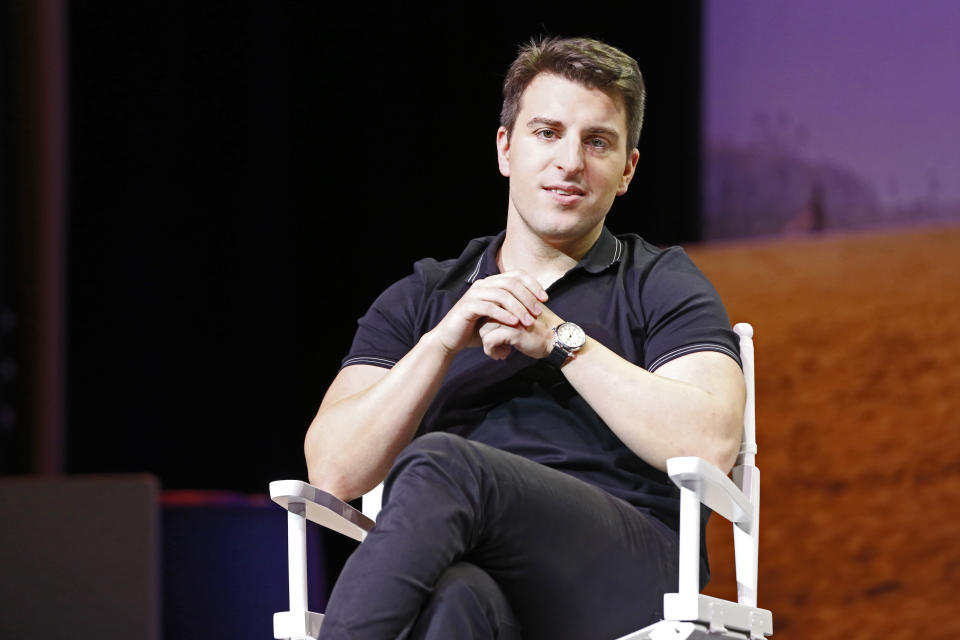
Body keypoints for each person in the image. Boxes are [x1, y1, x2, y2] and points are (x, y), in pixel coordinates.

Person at [304, 36, 745, 639]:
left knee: (440, 464)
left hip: (626, 569)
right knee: (454, 600)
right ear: (506, 149)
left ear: (627, 171)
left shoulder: (659, 281)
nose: (570, 162)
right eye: (547, 133)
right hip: (474, 567)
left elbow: (710, 442)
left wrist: (563, 341)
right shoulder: (426, 296)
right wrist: (439, 344)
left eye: (597, 142)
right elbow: (332, 469)